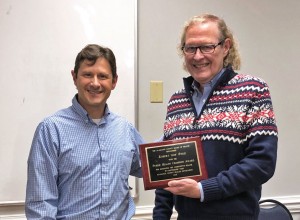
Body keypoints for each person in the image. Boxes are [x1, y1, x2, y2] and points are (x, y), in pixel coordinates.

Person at [153, 14, 278, 220]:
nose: (198, 56)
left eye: (207, 47)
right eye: (190, 48)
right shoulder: (176, 101)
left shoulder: (254, 90)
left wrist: (204, 189)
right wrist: (160, 216)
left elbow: (262, 163)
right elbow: (168, 170)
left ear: (225, 47)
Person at [25, 44, 144, 219]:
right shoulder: (51, 130)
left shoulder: (125, 129)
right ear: (74, 77)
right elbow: (40, 204)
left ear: (114, 81)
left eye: (103, 76)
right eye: (88, 74)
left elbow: (152, 167)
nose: (95, 83)